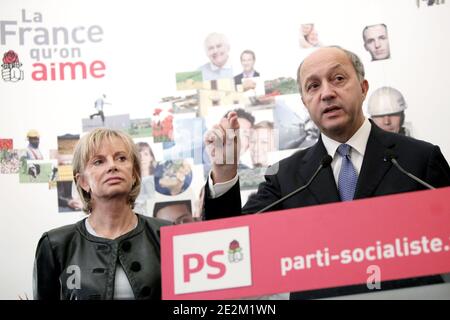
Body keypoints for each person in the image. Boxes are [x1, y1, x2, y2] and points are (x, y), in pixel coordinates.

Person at [203, 46, 450, 299]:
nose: (327, 93)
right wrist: (223, 172)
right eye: (313, 86)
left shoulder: (419, 160)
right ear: (305, 103)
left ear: (364, 88)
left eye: (338, 79)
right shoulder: (286, 176)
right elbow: (230, 247)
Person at [33, 128, 171, 300]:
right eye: (98, 162)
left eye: (121, 158)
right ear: (83, 181)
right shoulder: (55, 245)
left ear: (134, 175)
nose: (112, 166)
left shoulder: (167, 235)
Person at [134, 142, 157, 214]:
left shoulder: (160, 180)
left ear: (151, 157)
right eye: (139, 155)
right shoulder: (131, 182)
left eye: (146, 154)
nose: (142, 158)